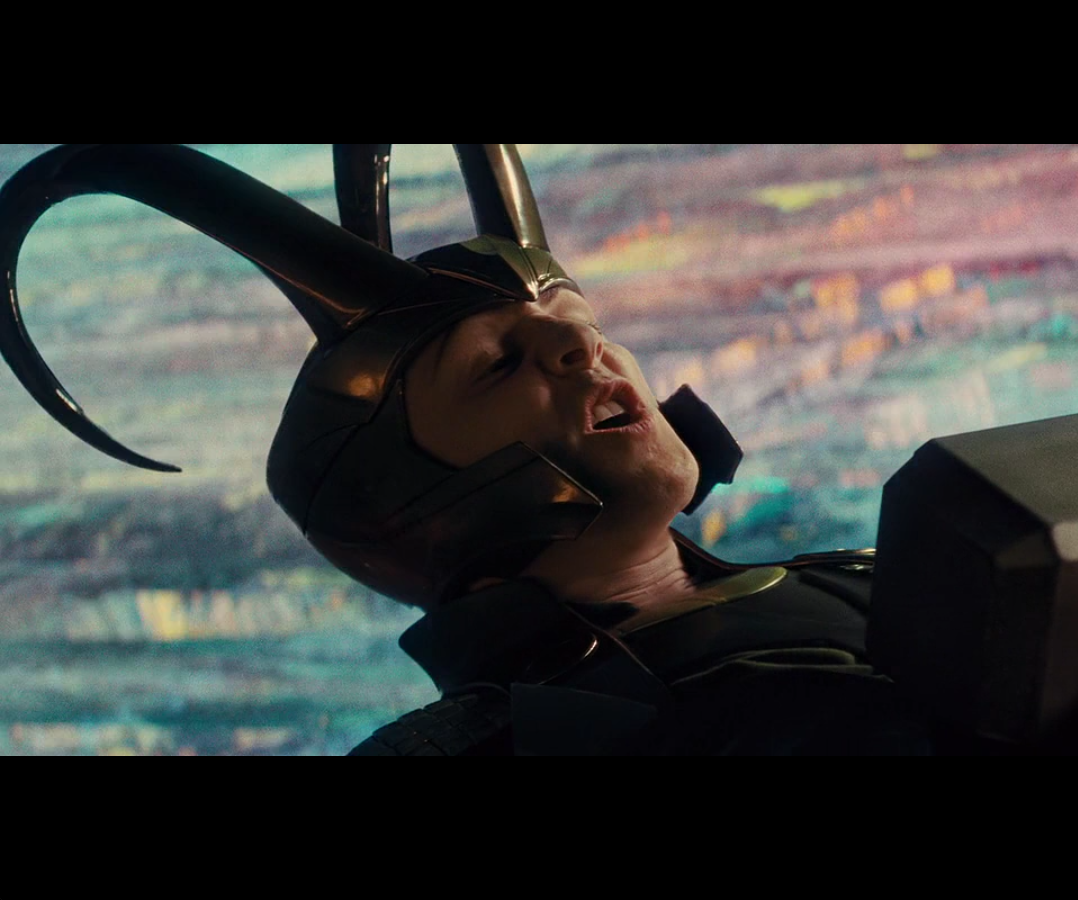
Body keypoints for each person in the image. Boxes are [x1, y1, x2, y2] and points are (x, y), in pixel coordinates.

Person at [0, 144, 937, 755]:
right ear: (413, 496)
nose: (582, 348)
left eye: (580, 321)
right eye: (496, 364)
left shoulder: (890, 573)